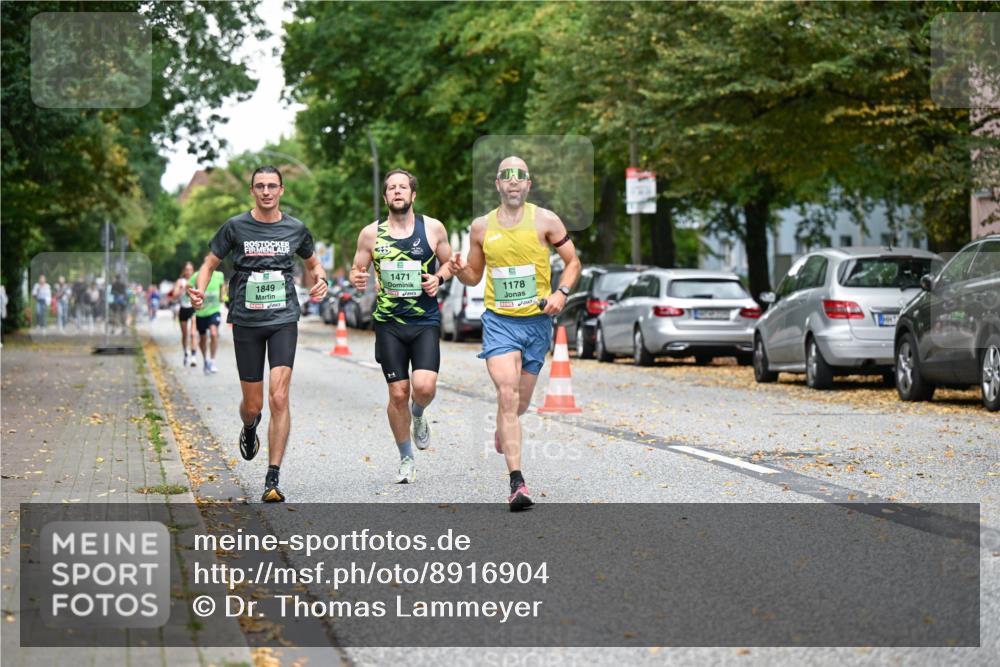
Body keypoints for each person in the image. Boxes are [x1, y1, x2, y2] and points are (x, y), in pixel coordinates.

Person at [188, 165, 327, 502]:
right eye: (260, 186)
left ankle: (273, 477)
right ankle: (250, 426)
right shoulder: (235, 226)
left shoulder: (296, 229)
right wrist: (199, 290)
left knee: (279, 396)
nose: (266, 191)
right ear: (252, 191)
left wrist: (321, 280)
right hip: (247, 322)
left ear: (281, 190)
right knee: (253, 405)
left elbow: (313, 264)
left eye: (272, 186)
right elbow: (209, 264)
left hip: (283, 320)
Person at [450, 156, 581, 511]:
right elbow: (474, 277)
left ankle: (503, 429)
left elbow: (573, 262)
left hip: (537, 323)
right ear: (497, 184)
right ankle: (517, 483)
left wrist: (561, 293)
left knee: (519, 403)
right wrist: (461, 272)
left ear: (528, 184)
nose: (512, 182)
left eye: (519, 176)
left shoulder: (547, 221)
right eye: (505, 176)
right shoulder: (481, 227)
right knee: (506, 394)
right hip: (499, 323)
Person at [349, 169, 453, 484]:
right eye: (392, 188)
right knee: (398, 393)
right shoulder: (370, 234)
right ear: (385, 197)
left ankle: (418, 415)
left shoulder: (432, 228)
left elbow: (449, 264)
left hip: (424, 321)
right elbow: (358, 270)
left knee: (423, 388)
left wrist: (439, 278)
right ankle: (406, 458)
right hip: (389, 324)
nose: (397, 192)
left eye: (403, 187)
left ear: (412, 195)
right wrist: (357, 279)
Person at [194, 262, 225, 374]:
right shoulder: (198, 275)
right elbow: (189, 287)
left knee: (213, 333)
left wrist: (222, 295)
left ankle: (212, 360)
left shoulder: (219, 275)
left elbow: (222, 286)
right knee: (202, 339)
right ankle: (205, 359)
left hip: (214, 310)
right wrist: (193, 296)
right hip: (201, 313)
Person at [172, 262, 198, 367]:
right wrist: (182, 289)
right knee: (184, 334)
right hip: (183, 309)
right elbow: (174, 296)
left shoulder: (196, 280)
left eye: (190, 269)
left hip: (193, 309)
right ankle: (186, 352)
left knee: (192, 333)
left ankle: (194, 356)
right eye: (187, 269)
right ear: (184, 271)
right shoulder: (180, 281)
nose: (188, 272)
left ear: (193, 270)